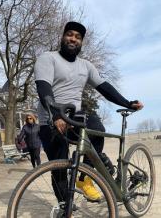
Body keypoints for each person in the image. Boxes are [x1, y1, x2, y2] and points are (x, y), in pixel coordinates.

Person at [35, 21, 143, 204]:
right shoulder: (48, 58)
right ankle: (65, 208)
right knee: (59, 169)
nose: (73, 39)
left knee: (96, 128)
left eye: (78, 37)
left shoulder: (86, 66)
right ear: (62, 37)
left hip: (74, 117)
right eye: (69, 34)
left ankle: (85, 179)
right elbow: (43, 87)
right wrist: (56, 114)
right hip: (51, 119)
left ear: (81, 42)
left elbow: (104, 87)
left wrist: (127, 102)